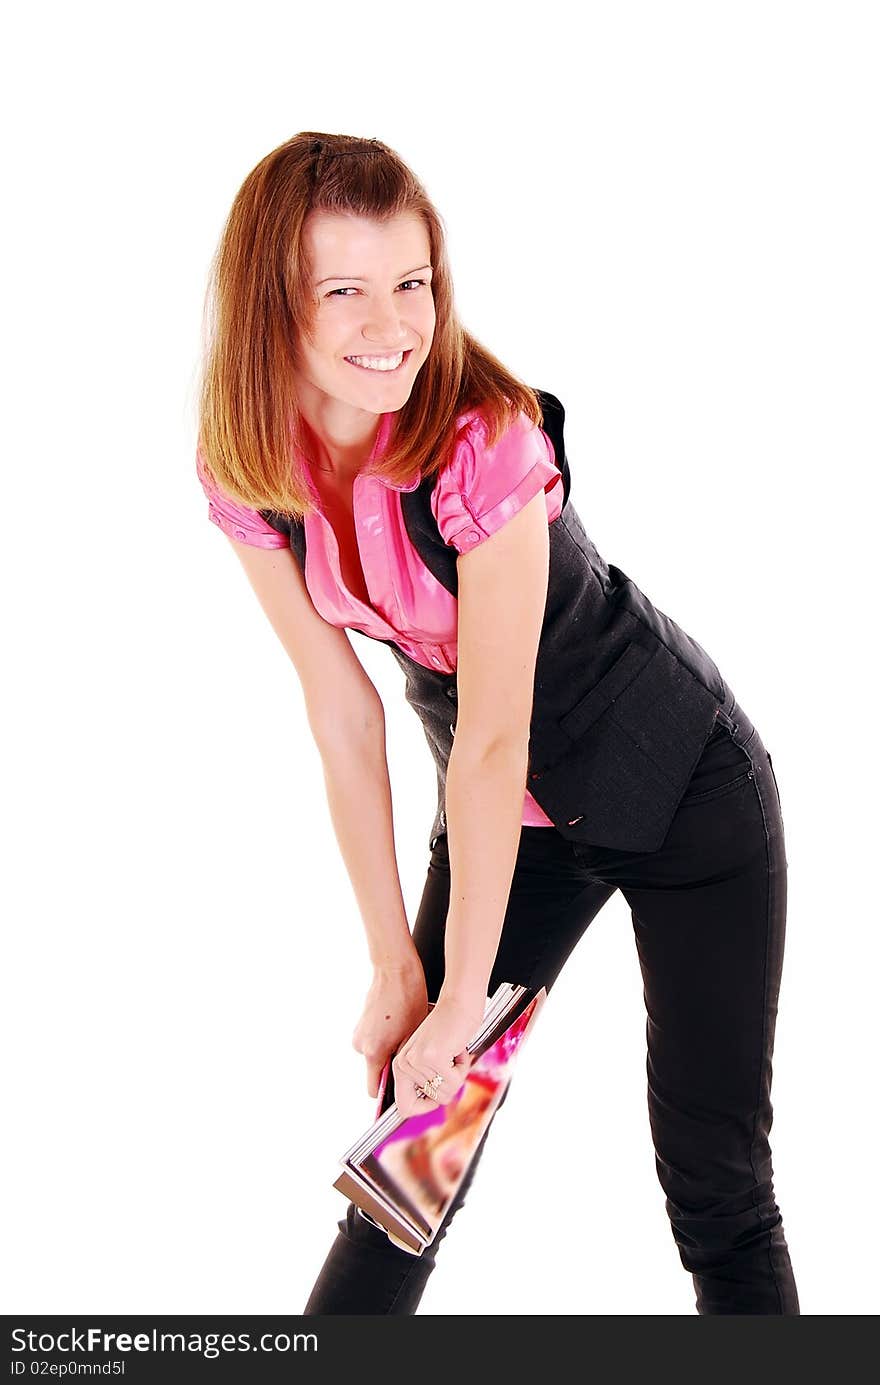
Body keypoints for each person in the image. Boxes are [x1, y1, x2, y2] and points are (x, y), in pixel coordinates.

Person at [194, 131, 800, 1315]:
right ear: (272, 302)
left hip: (683, 790)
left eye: (412, 282)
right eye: (345, 289)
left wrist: (459, 1000)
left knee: (715, 1176)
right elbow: (341, 712)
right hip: (517, 818)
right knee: (408, 1161)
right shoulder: (252, 468)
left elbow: (490, 738)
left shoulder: (485, 440)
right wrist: (395, 966)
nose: (393, 324)